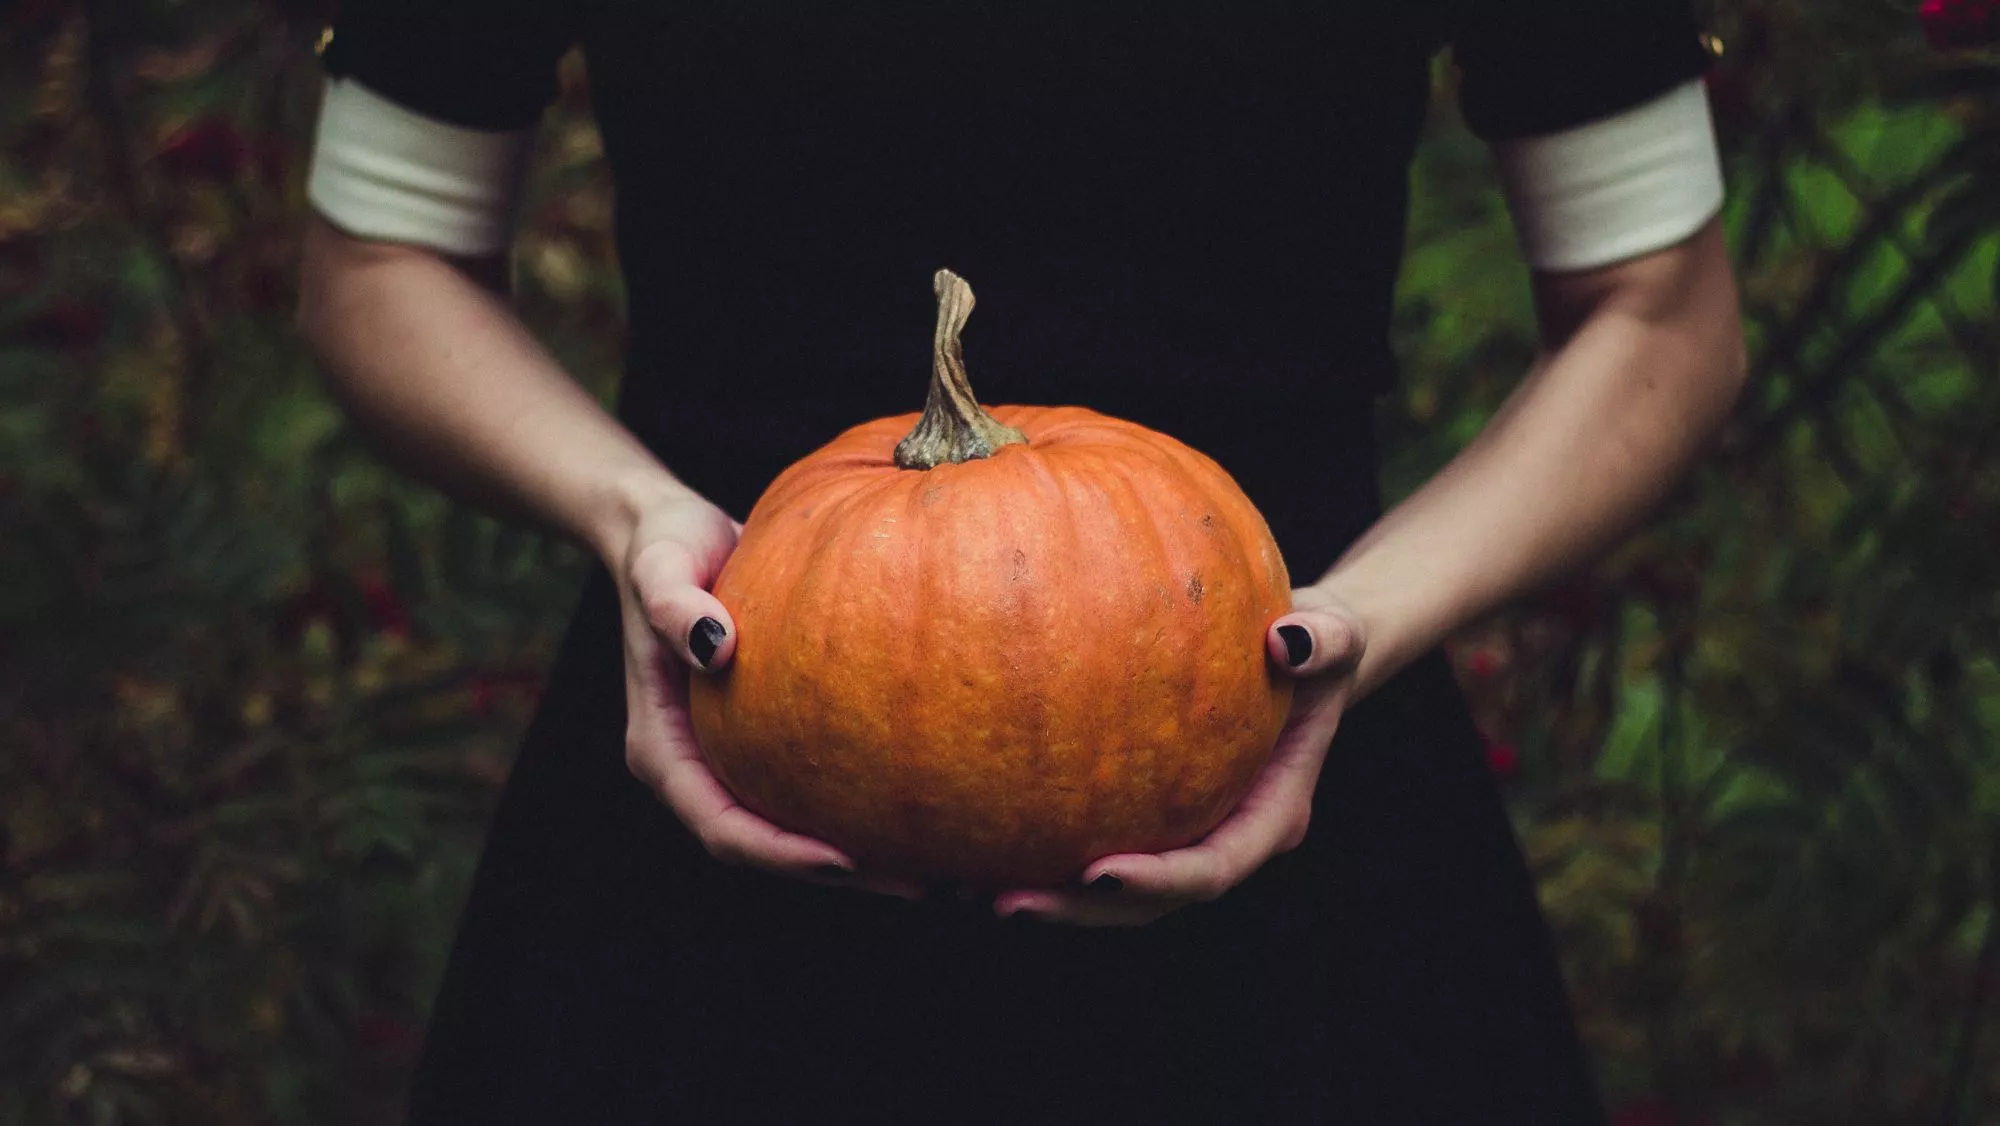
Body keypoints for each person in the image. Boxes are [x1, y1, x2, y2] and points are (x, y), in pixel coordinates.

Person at [295, 2, 1746, 1122]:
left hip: (1286, 754)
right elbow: (382, 260)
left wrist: (1361, 617)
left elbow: (1661, 310)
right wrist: (629, 518)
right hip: (720, 735)